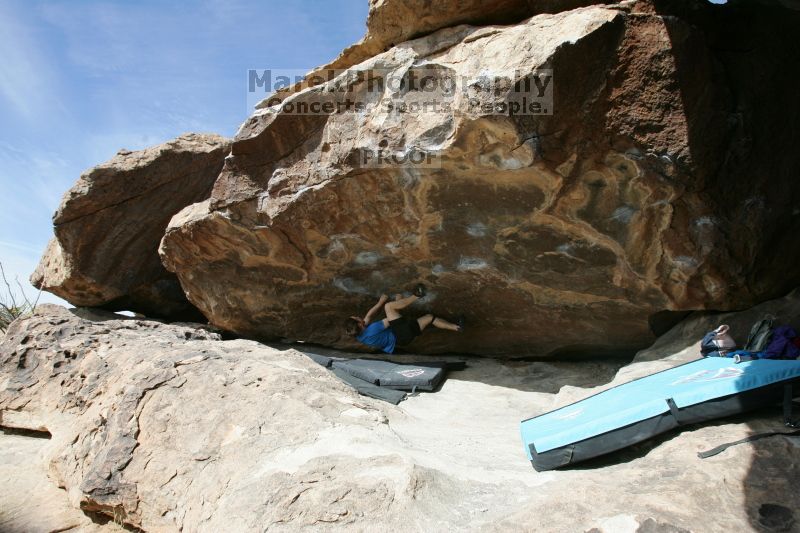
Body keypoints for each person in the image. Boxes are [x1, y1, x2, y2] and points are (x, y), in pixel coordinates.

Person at [344, 283, 463, 354]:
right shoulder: (373, 329)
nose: (359, 317)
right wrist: (396, 302)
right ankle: (417, 295)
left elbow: (369, 316)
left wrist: (380, 302)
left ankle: (457, 327)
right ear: (360, 325)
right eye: (357, 318)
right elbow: (393, 320)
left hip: (403, 338)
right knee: (389, 307)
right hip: (400, 334)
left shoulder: (360, 335)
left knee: (429, 318)